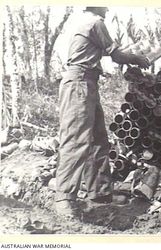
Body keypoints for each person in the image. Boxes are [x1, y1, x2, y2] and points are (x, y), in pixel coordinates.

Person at [55, 6, 150, 218]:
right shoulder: (95, 22)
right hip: (79, 83)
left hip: (87, 83)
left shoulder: (84, 22)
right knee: (76, 140)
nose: (107, 10)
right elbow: (116, 56)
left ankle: (99, 192)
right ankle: (63, 197)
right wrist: (138, 59)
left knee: (98, 140)